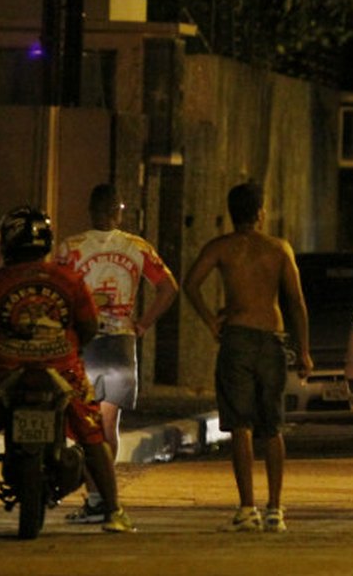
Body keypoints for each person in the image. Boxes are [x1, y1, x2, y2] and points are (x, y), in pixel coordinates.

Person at [0, 206, 134, 538]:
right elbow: (88, 327)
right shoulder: (68, 279)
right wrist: (66, 348)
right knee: (92, 435)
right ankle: (114, 510)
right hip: (63, 371)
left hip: (3, 372)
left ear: (9, 244)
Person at [183, 182, 311, 533]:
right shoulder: (278, 249)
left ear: (231, 213)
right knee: (273, 427)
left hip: (236, 338)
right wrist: (303, 350)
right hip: (271, 339)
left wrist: (212, 320)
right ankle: (276, 508)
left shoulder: (222, 247)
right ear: (260, 213)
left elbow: (190, 282)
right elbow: (297, 303)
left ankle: (246, 507)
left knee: (241, 426)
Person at [54, 184, 179, 523]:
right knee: (109, 424)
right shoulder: (137, 247)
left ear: (91, 210)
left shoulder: (71, 247)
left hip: (85, 343)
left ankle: (96, 498)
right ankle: (105, 498)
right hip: (122, 343)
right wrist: (142, 324)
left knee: (84, 424)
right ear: (118, 211)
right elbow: (168, 287)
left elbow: (57, 289)